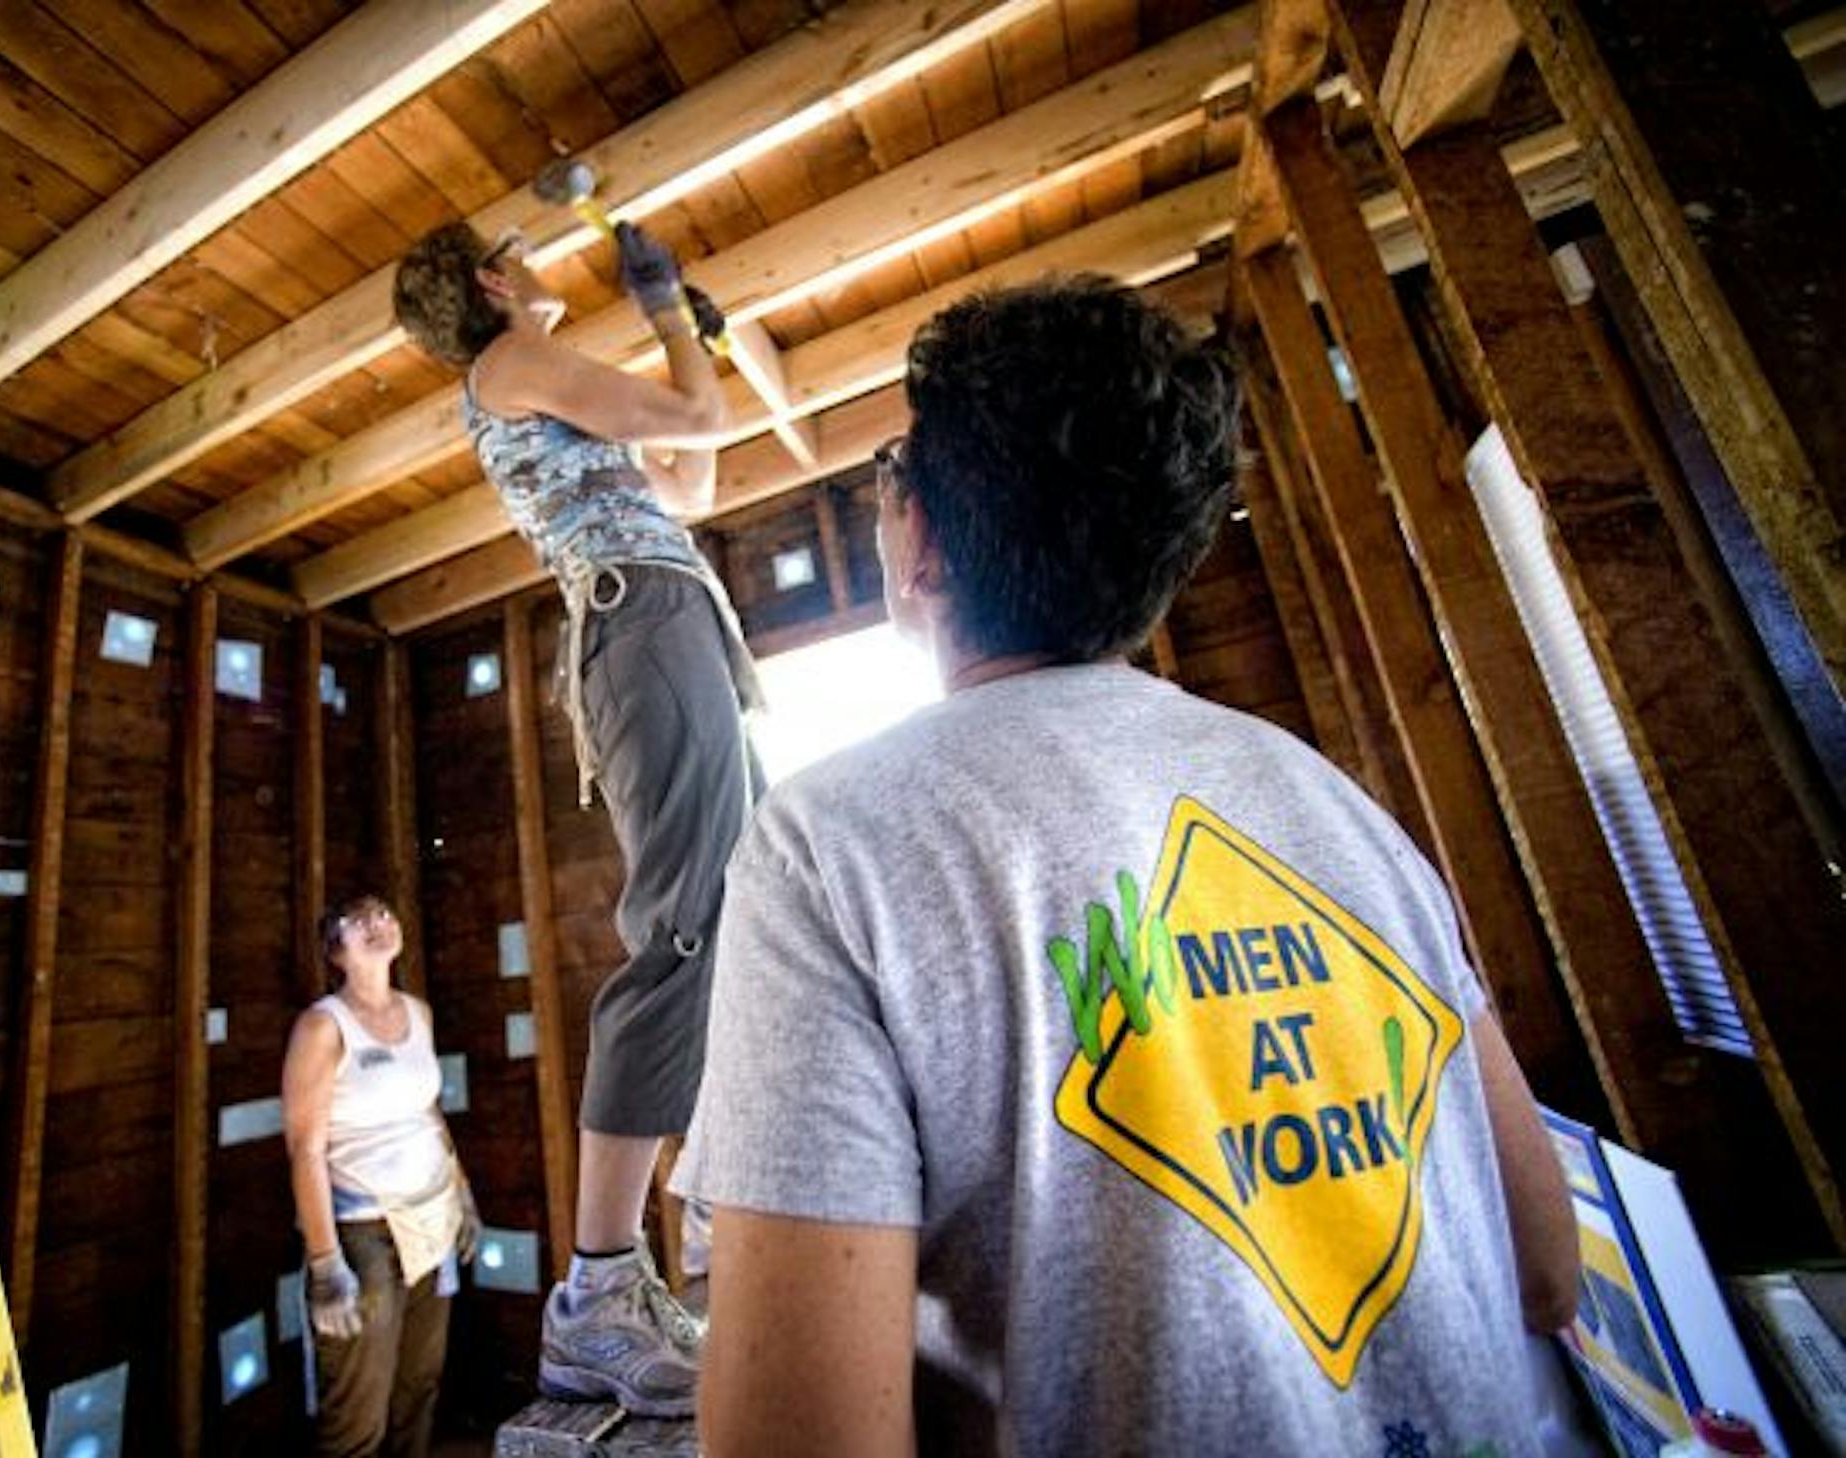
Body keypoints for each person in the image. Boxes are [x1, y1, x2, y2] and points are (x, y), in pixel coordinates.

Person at [675, 276, 1581, 1456]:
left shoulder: (826, 844)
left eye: (895, 475)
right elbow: (1548, 1275)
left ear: (923, 547)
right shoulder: (1339, 810)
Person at [390, 219, 759, 1416]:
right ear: (495, 286)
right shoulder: (505, 365)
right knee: (687, 927)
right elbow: (698, 422)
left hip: (671, 611)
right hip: (642, 618)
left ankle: (695, 1216)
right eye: (516, 249)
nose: (537, 259)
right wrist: (668, 321)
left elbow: (693, 479)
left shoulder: (545, 390)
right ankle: (600, 1293)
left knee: (738, 909)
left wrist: (680, 337)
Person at [283, 894, 480, 1458]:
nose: (379, 923)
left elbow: (429, 1113)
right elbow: (306, 1148)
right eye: (359, 919)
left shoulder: (418, 1014)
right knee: (358, 1408)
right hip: (365, 1235)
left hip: (431, 1222)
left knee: (419, 1385)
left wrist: (462, 1197)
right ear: (335, 950)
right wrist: (325, 1263)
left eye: (386, 913)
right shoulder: (323, 1027)